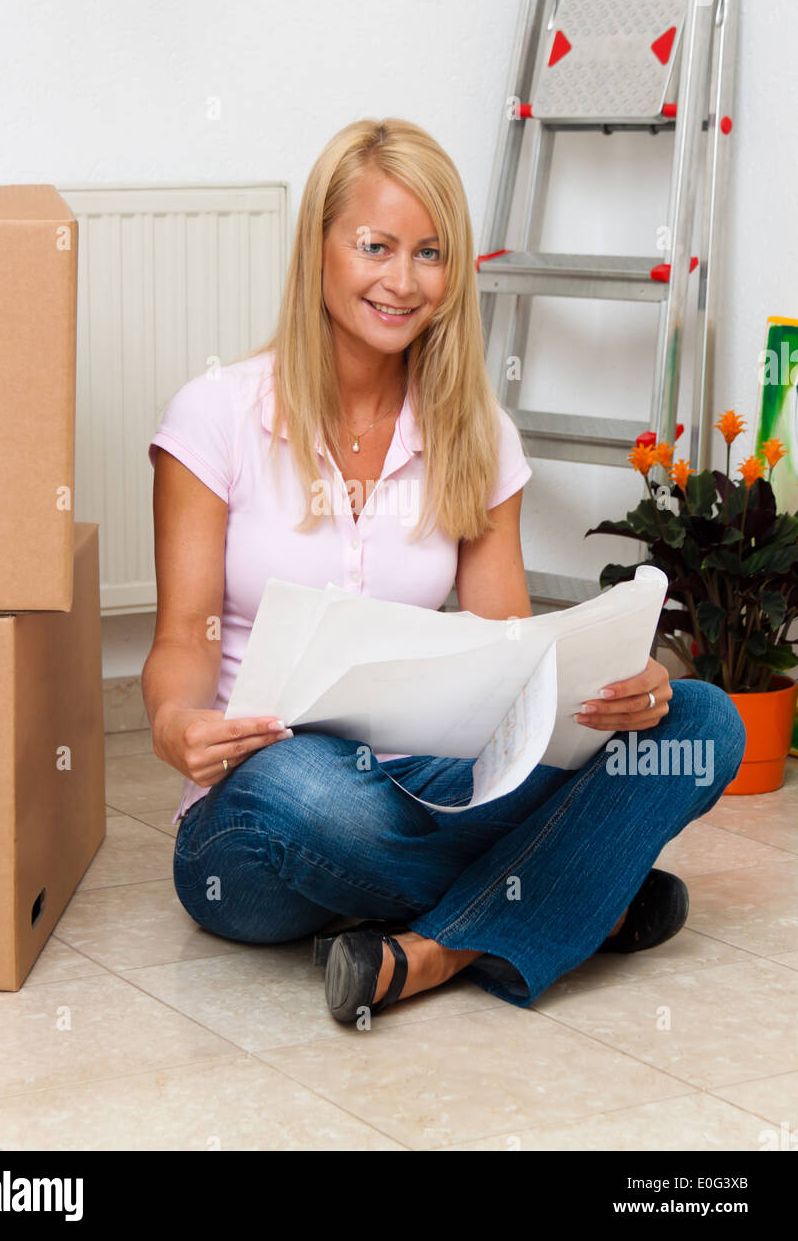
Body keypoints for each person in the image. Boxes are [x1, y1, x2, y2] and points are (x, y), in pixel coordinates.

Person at [143, 117, 746, 1024]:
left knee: (702, 719)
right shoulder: (215, 416)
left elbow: (507, 649)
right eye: (375, 247)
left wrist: (623, 687)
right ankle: (574, 893)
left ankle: (430, 952)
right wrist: (174, 722)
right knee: (306, 783)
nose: (401, 280)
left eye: (430, 253)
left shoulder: (475, 433)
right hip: (265, 816)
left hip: (431, 782)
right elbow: (180, 642)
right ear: (318, 249)